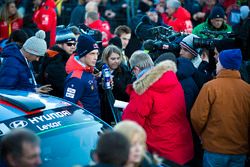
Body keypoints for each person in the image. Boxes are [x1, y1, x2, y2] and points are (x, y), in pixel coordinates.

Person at [122, 50, 194, 165]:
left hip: (161, 153)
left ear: (135, 69)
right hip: (182, 147)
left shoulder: (143, 89)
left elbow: (130, 125)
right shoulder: (173, 80)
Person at [191, 49, 250, 167]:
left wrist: (202, 136)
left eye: (218, 62)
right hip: (240, 150)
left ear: (224, 65)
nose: (216, 64)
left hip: (214, 149)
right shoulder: (247, 89)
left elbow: (197, 117)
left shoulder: (210, 87)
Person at [64, 33, 100, 117]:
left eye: (97, 54)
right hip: (86, 123)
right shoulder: (76, 78)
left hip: (94, 122)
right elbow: (68, 107)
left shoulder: (87, 70)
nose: (96, 57)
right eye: (92, 54)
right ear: (83, 54)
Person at [97, 45, 132, 125]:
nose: (116, 61)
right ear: (106, 59)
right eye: (113, 59)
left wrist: (114, 81)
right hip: (103, 111)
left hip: (119, 110)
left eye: (118, 58)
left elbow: (127, 91)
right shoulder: (98, 69)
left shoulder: (124, 70)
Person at [38, 29, 76, 98]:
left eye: (74, 44)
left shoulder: (63, 57)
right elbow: (61, 85)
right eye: (69, 44)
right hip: (56, 99)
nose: (73, 46)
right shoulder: (56, 60)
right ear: (59, 44)